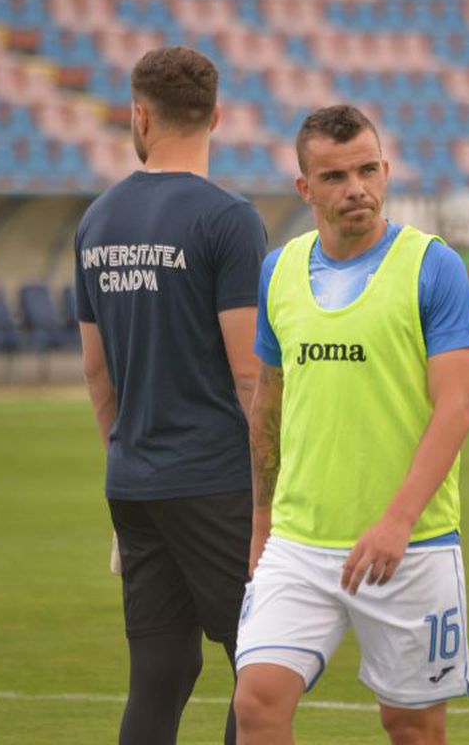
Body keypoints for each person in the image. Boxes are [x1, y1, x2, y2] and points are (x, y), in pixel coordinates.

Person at [233, 105, 469, 744]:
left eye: (368, 170)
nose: (357, 189)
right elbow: (269, 403)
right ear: (305, 188)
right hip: (298, 542)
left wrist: (397, 521)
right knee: (256, 705)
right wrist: (261, 523)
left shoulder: (433, 267)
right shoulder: (279, 271)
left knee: (411, 727)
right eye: (336, 176)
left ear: (386, 170)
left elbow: (456, 408)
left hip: (412, 544)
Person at [73, 45, 267, 745]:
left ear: (140, 115)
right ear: (216, 117)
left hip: (134, 481)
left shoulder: (97, 220)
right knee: (263, 667)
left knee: (160, 672)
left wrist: (126, 457)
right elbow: (250, 376)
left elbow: (96, 372)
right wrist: (270, 495)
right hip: (215, 480)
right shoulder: (228, 219)